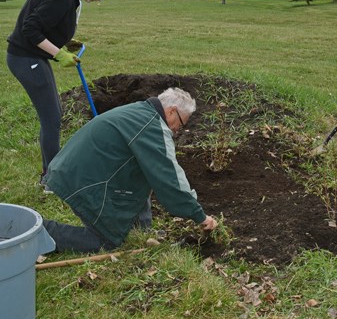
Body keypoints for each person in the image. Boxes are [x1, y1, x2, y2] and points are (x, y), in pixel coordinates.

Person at [42, 87, 218, 253]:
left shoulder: (141, 111)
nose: (178, 130)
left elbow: (146, 171)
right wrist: (199, 216)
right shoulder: (152, 128)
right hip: (80, 179)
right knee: (106, 241)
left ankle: (141, 229)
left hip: (74, 168)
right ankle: (42, 233)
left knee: (142, 169)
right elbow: (169, 178)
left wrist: (143, 227)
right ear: (171, 111)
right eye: (180, 123)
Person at [6, 0, 113, 188]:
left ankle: (51, 172)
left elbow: (47, 25)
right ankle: (51, 180)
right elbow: (30, 29)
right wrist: (59, 53)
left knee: (54, 115)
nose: (98, 0)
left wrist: (61, 42)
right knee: (52, 119)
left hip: (33, 58)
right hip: (26, 60)